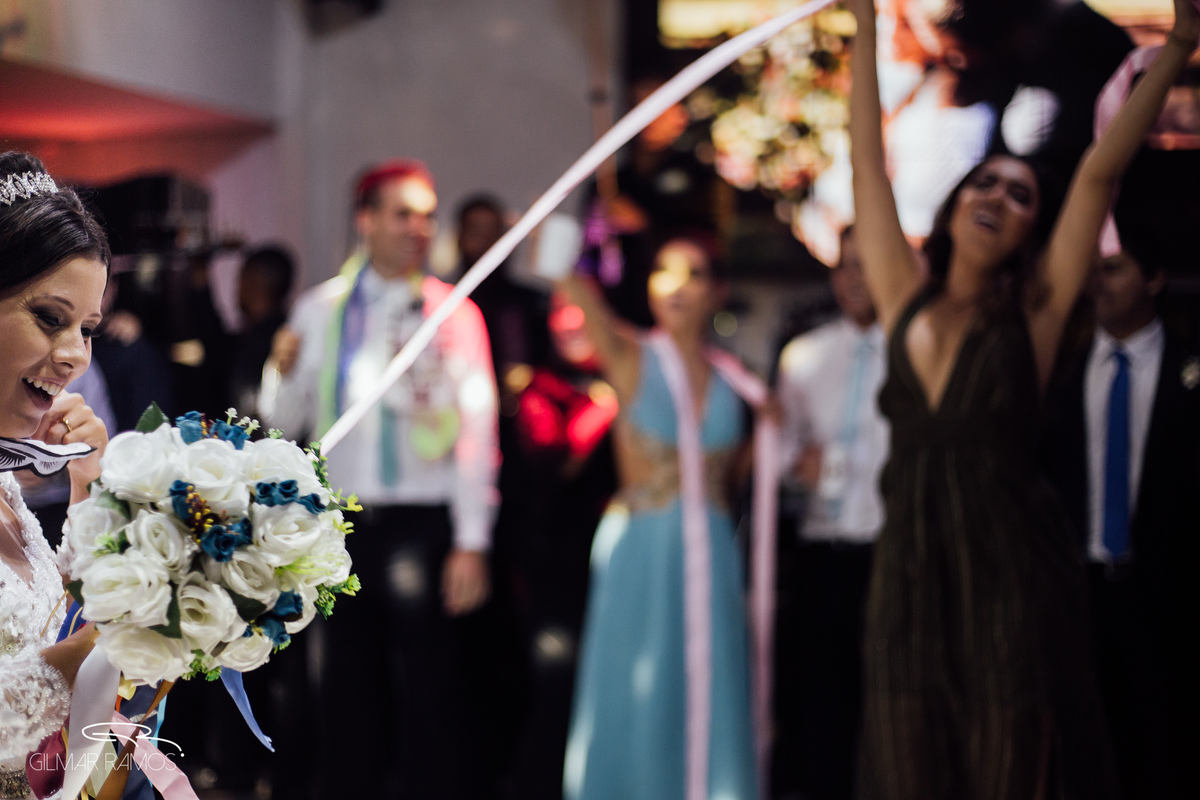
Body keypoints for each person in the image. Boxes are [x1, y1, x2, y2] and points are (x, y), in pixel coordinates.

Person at [846, 0, 1199, 795]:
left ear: (1028, 233)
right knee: (907, 767)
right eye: (987, 181)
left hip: (1006, 578)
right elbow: (868, 164)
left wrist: (1176, 47)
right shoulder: (904, 297)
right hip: (907, 579)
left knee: (1010, 767)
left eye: (1020, 195)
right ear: (954, 199)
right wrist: (865, 24)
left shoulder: (1034, 318)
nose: (998, 196)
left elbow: (1100, 172)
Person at [260, 159, 499, 800]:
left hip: (424, 519)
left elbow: (478, 431)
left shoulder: (454, 313)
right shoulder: (319, 309)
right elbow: (286, 424)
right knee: (341, 686)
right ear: (366, 221)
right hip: (338, 523)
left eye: (427, 214)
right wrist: (277, 374)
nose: (419, 228)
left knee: (429, 689)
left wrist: (472, 540)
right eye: (403, 213)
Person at [550, 234, 765, 800]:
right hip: (642, 550)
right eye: (664, 271)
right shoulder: (630, 354)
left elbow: (745, 479)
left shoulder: (737, 382)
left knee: (712, 685)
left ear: (716, 291)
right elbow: (568, 280)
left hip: (714, 549)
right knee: (636, 687)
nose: (676, 284)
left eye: (693, 273)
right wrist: (556, 229)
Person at [1042, 200, 1200, 798]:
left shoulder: (1190, 372)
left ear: (1154, 278)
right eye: (1093, 268)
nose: (1097, 282)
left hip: (1170, 608)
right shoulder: (1061, 373)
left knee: (1165, 760)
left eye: (1115, 268)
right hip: (1080, 602)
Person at [0, 151, 111, 798]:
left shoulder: (8, 481)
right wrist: (103, 650)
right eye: (50, 317)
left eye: (87, 327)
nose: (73, 355)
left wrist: (88, 487)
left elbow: (55, 620)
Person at [774, 226, 888, 800]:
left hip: (890, 557)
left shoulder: (920, 349)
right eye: (844, 266)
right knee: (822, 709)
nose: (852, 279)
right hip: (823, 553)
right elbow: (777, 455)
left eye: (866, 265)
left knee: (887, 707)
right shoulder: (806, 355)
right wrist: (796, 464)